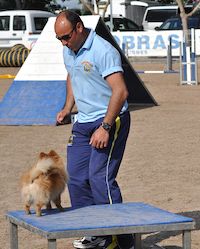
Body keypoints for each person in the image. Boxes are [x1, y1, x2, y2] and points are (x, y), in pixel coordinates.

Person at [54, 10, 134, 249]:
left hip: (110, 119)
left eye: (66, 37)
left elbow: (121, 92)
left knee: (100, 178)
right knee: (77, 179)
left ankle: (122, 240)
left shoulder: (103, 50)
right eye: (59, 39)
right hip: (83, 122)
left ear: (79, 28)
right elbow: (72, 74)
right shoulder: (68, 50)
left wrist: (105, 127)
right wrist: (68, 107)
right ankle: (95, 234)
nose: (63, 43)